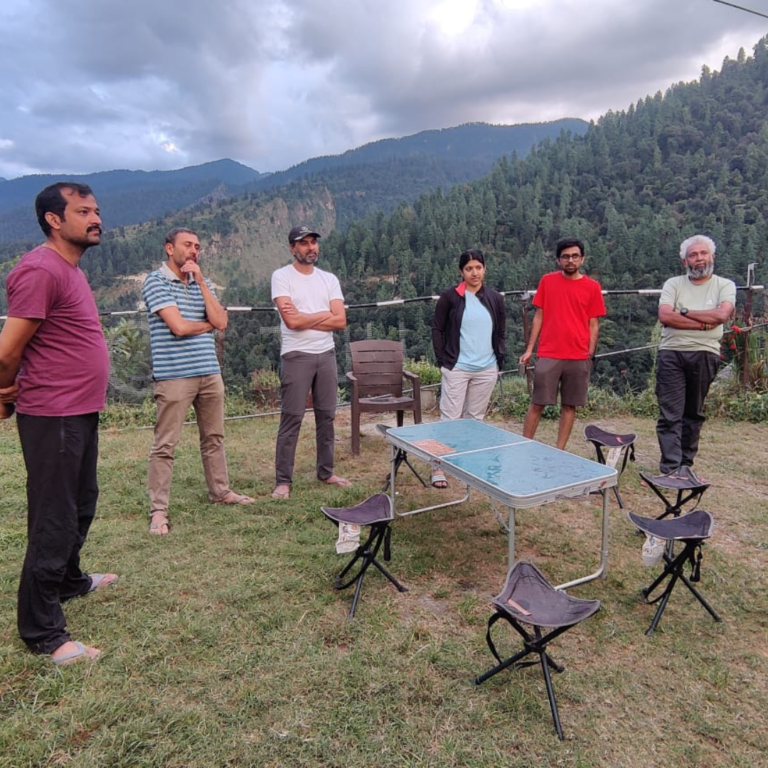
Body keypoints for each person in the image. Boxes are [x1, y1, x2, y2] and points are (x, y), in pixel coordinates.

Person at [0, 182, 116, 665]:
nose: (96, 218)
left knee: (81, 503)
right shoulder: (40, 269)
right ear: (53, 219)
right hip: (54, 413)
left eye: (96, 210)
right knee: (54, 517)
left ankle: (69, 580)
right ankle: (43, 632)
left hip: (80, 410)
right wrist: (5, 395)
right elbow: (8, 350)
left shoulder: (68, 269)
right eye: (84, 211)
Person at [142, 228, 254, 536]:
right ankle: (158, 511)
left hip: (209, 371)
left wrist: (202, 281)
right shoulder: (156, 281)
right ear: (169, 248)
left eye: (197, 247)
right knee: (165, 445)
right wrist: (207, 325)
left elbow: (222, 322)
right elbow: (177, 326)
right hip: (174, 375)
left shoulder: (200, 282)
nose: (194, 251)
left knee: (214, 437)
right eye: (187, 245)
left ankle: (220, 492)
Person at [270, 225, 350, 499]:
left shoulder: (329, 279)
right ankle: (283, 481)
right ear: (293, 248)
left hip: (326, 354)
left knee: (327, 416)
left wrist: (308, 316)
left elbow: (340, 321)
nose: (310, 247)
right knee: (292, 417)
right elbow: (291, 322)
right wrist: (323, 315)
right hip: (296, 355)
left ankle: (326, 472)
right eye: (303, 243)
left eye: (313, 242)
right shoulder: (281, 277)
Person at [655, 235, 735, 476]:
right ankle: (670, 468)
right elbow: (666, 316)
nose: (699, 259)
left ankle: (685, 466)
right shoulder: (673, 284)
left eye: (703, 254)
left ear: (712, 257)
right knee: (670, 413)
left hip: (705, 354)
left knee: (694, 412)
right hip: (672, 353)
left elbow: (721, 316)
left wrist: (685, 311)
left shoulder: (725, 285)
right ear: (684, 262)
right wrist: (703, 323)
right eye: (693, 255)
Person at [519, 237, 606, 450]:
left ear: (582, 259)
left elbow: (593, 324)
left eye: (575, 256)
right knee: (537, 403)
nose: (570, 260)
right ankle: (522, 446)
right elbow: (539, 316)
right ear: (558, 260)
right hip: (549, 353)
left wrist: (590, 354)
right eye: (565, 256)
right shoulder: (547, 281)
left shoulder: (592, 287)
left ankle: (560, 451)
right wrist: (530, 349)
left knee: (569, 405)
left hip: (578, 356)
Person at [430, 249, 506, 488]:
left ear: (485, 269)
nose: (474, 272)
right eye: (469, 268)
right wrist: (444, 361)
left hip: (486, 368)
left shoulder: (495, 298)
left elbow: (501, 331)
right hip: (457, 367)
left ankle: (469, 464)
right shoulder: (450, 297)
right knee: (450, 418)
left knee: (476, 420)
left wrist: (498, 358)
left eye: (478, 267)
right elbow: (437, 330)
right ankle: (438, 467)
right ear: (461, 272)